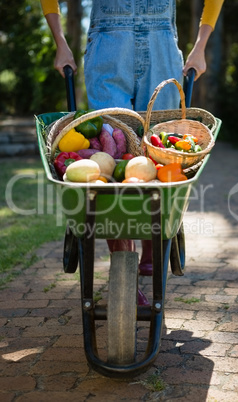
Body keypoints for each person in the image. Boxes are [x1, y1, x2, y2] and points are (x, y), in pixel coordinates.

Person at [41, 0, 224, 304]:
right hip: (109, 46)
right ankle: (123, 262)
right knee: (111, 155)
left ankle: (152, 245)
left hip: (161, 42)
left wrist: (201, 45)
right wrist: (61, 42)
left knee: (162, 146)